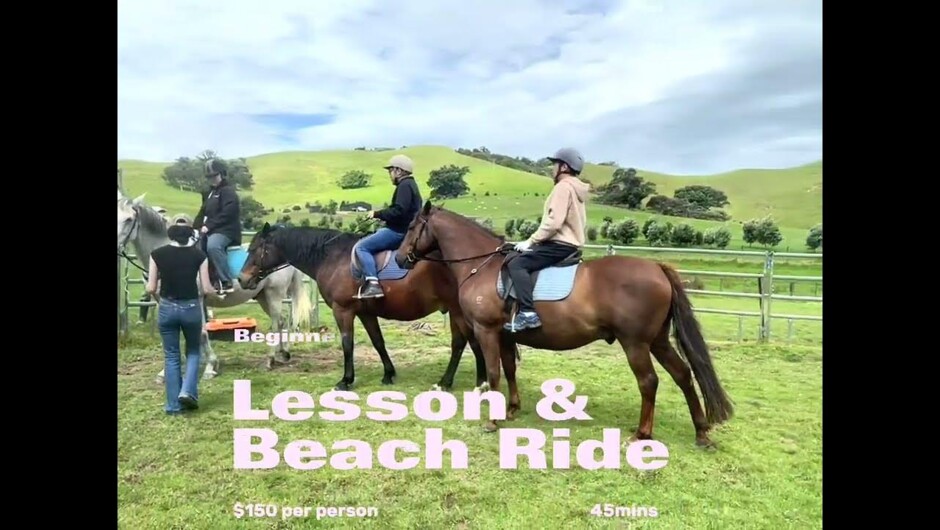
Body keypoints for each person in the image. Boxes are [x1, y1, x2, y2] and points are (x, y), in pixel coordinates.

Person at [505, 147, 591, 331]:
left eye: (555, 165)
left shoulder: (563, 187)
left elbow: (554, 223)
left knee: (517, 265)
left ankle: (528, 313)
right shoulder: (577, 189)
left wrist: (531, 241)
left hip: (558, 244)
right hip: (570, 244)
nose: (553, 169)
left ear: (564, 167)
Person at [146, 221, 218, 414]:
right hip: (191, 308)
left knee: (171, 355)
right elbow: (206, 288)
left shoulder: (157, 255)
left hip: (167, 308)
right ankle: (187, 391)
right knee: (193, 351)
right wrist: (215, 294)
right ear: (189, 237)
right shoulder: (199, 255)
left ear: (171, 236)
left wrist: (160, 299)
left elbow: (151, 288)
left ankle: (172, 405)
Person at [355, 154, 422, 298]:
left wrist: (377, 214)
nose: (390, 175)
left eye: (390, 171)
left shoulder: (404, 186)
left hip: (398, 232)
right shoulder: (411, 185)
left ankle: (373, 284)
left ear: (399, 171)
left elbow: (399, 210)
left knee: (362, 247)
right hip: (404, 229)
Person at [193, 158, 241, 294]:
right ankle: (209, 279)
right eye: (209, 177)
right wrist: (193, 227)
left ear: (221, 174)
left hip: (226, 231)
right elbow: (202, 212)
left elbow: (228, 213)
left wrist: (208, 226)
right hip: (211, 229)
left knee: (213, 246)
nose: (212, 179)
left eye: (214, 176)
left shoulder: (228, 192)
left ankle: (226, 281)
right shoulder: (210, 193)